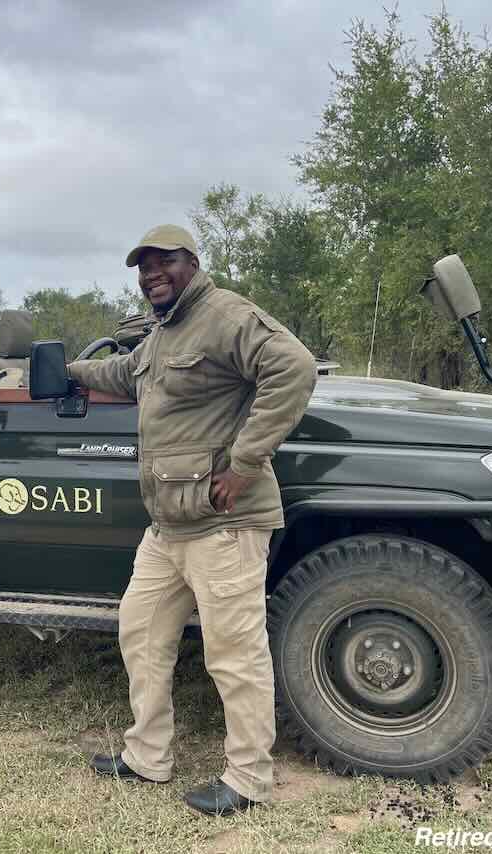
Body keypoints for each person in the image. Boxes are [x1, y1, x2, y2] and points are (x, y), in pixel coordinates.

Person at [69, 225, 316, 815]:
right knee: (141, 630)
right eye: (143, 266)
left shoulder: (225, 314)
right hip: (169, 527)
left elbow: (295, 369)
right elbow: (123, 375)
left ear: (191, 263)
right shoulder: (162, 333)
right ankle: (147, 756)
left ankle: (248, 779)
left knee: (233, 654)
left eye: (164, 262)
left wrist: (246, 461)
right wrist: (66, 369)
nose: (151, 273)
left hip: (223, 523)